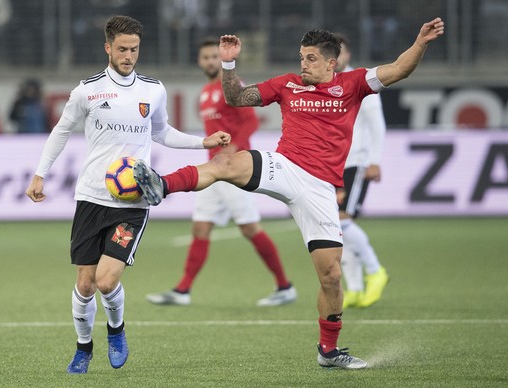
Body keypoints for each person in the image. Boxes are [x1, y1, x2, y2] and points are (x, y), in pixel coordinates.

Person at [133, 18, 444, 369]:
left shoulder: (354, 84)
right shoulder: (287, 85)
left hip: (320, 188)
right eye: (301, 57)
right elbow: (236, 97)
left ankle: (328, 351)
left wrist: (420, 42)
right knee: (228, 164)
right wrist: (229, 63)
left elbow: (400, 69)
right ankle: (161, 185)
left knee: (331, 275)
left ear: (331, 62)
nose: (303, 64)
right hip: (285, 167)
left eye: (311, 58)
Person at [24, 15, 230, 375]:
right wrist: (40, 174)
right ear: (108, 47)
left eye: (134, 49)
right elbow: (60, 131)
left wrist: (203, 142)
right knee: (86, 285)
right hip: (90, 197)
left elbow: (163, 132)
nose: (128, 55)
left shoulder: (153, 90)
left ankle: (116, 331)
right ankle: (83, 348)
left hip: (132, 202)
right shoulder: (87, 90)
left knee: (107, 280)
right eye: (122, 49)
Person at [145, 38, 297, 307]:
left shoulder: (232, 85)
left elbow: (250, 120)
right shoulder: (205, 91)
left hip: (234, 168)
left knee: (250, 228)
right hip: (213, 171)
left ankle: (285, 286)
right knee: (200, 228)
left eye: (214, 57)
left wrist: (235, 148)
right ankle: (183, 290)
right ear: (199, 61)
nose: (210, 61)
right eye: (205, 58)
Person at [333, 34, 389, 309]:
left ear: (348, 55)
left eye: (339, 52)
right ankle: (354, 288)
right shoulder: (325, 85)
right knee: (335, 229)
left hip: (356, 162)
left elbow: (377, 124)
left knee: (343, 221)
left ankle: (375, 271)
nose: (336, 57)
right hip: (333, 164)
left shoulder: (361, 82)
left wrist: (375, 160)